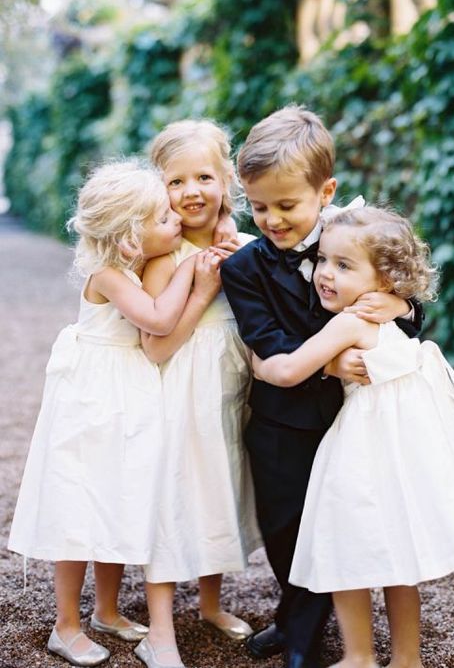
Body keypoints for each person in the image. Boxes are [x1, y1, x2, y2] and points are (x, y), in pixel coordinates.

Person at [253, 205, 454, 668]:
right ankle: (406, 659)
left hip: (364, 444)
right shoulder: (388, 316)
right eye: (324, 261)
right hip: (404, 447)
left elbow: (289, 370)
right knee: (400, 557)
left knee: (344, 543)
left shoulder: (352, 321)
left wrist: (257, 361)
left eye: (343, 266)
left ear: (386, 280)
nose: (325, 275)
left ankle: (359, 656)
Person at [220, 105, 423, 668]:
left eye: (286, 205)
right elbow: (268, 342)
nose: (272, 219)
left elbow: (408, 313)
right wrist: (332, 364)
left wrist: (402, 304)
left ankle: (305, 641)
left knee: (347, 520)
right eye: (258, 206)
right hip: (283, 421)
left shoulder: (353, 237)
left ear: (325, 190)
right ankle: (296, 612)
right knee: (285, 530)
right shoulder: (243, 270)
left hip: (358, 419)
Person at [8, 159, 196, 667]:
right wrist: (191, 272)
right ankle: (65, 625)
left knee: (118, 495)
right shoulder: (108, 273)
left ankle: (107, 611)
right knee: (80, 504)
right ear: (129, 237)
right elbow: (157, 318)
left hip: (124, 389)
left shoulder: (133, 264)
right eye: (162, 218)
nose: (176, 218)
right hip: (94, 397)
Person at [135, 119, 261, 668]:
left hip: (230, 391)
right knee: (171, 494)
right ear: (158, 189)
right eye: (176, 182)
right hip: (178, 392)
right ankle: (158, 630)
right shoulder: (163, 255)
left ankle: (210, 604)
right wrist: (204, 285)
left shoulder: (246, 245)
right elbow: (156, 347)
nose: (191, 192)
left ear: (228, 178)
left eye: (204, 177)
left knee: (221, 489)